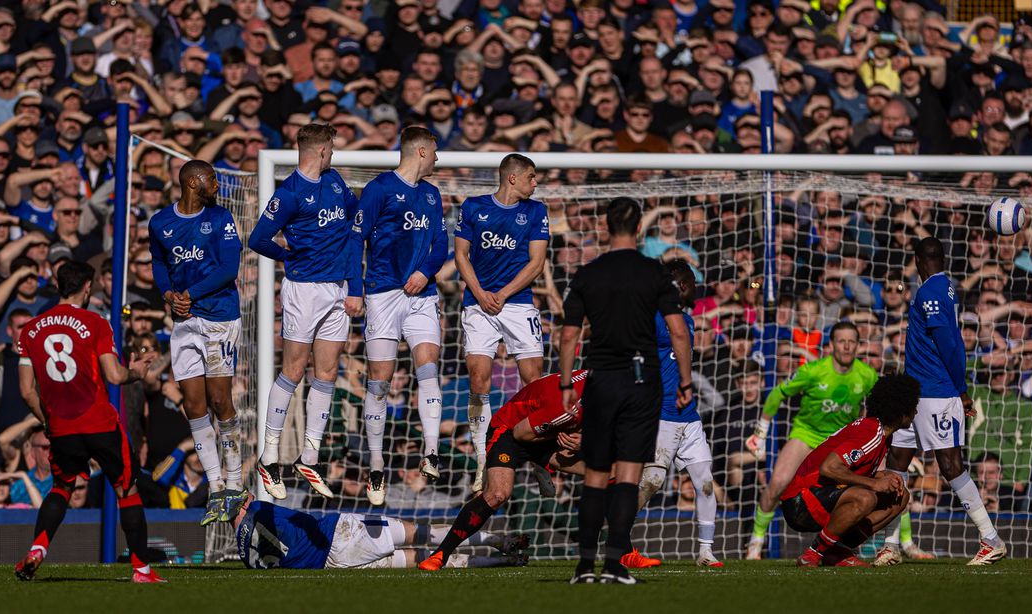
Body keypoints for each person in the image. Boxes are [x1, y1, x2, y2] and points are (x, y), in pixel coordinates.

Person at [557, 197, 693, 585]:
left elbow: (569, 335)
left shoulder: (587, 273)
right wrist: (684, 381)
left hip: (602, 379)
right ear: (638, 230)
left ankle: (585, 566)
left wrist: (567, 383)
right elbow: (679, 331)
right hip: (641, 381)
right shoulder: (656, 274)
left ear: (605, 227)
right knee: (629, 476)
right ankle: (615, 565)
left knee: (596, 477)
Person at [12, 260, 161, 583]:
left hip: (61, 426)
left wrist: (47, 421)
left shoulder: (30, 329)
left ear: (58, 285)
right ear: (87, 288)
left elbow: (26, 391)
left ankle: (38, 548)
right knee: (126, 488)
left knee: (62, 487)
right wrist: (136, 371)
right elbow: (113, 375)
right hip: (99, 421)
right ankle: (142, 569)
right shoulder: (96, 322)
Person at [250, 123, 360, 500]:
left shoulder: (334, 182)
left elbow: (352, 221)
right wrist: (288, 255)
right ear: (320, 149)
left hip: (337, 289)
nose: (333, 153)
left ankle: (308, 456)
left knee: (327, 371)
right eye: (331, 147)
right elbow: (258, 238)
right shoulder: (290, 192)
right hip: (304, 291)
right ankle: (269, 455)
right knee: (294, 370)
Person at [883, 237, 1006, 566]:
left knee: (950, 465)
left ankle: (990, 538)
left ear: (919, 261)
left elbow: (950, 345)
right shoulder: (947, 288)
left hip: (937, 393)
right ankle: (890, 544)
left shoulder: (930, 292)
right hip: (917, 394)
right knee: (896, 459)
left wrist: (960, 389)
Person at [348, 126, 449, 505]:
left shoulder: (432, 194)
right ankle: (376, 465)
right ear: (421, 152)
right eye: (435, 152)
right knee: (380, 380)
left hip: (422, 293)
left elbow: (440, 241)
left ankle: (431, 451)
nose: (438, 159)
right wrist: (356, 289)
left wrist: (425, 272)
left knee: (427, 365)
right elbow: (357, 236)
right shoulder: (379, 189)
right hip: (383, 293)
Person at [148, 159, 246, 525]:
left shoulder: (220, 219)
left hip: (220, 317)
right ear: (193, 183)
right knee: (193, 404)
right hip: (185, 321)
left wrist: (188, 292)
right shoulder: (160, 222)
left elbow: (229, 268)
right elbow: (159, 263)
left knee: (220, 399)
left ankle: (235, 481)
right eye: (213, 179)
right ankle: (217, 484)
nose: (218, 185)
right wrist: (168, 293)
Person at [418, 370, 588, 571]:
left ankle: (624, 553)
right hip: (510, 431)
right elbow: (520, 434)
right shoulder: (567, 405)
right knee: (497, 495)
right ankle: (440, 554)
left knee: (609, 473)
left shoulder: (608, 389)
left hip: (547, 433)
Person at [744, 321, 880, 560]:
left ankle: (899, 543)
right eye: (841, 341)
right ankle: (755, 545)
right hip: (806, 435)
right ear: (831, 346)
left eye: (852, 342)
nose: (847, 347)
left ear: (858, 346)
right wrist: (760, 433)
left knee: (881, 481)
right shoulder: (812, 371)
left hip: (839, 443)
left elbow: (880, 408)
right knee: (778, 482)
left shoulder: (867, 375)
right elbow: (777, 393)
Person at [454, 153, 549, 492]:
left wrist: (503, 293)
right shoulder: (473, 206)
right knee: (479, 377)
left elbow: (537, 264)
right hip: (478, 303)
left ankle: (539, 453)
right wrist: (480, 293)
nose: (535, 183)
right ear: (513, 177)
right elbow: (460, 255)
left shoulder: (536, 211)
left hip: (517, 303)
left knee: (533, 380)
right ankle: (483, 456)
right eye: (532, 176)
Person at [634, 260, 722, 568]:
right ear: (682, 286)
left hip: (689, 418)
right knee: (652, 482)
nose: (696, 288)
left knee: (706, 483)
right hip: (661, 415)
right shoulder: (653, 320)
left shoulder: (689, 320)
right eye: (693, 283)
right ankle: (617, 540)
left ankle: (706, 551)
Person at [780, 374, 919, 567]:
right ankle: (813, 554)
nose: (916, 411)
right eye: (914, 405)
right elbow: (829, 468)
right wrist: (875, 482)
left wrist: (885, 477)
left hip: (822, 495)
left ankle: (837, 552)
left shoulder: (882, 435)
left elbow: (853, 472)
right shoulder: (871, 432)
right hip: (800, 501)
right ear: (901, 409)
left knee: (900, 497)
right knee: (865, 497)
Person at [235, 494, 528, 570]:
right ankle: (499, 542)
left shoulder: (246, 557)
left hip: (335, 564)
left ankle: (506, 560)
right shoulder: (260, 508)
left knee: (421, 560)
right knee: (423, 534)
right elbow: (297, 517)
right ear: (241, 504)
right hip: (340, 532)